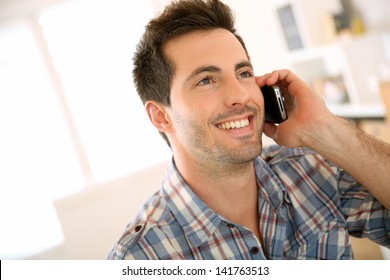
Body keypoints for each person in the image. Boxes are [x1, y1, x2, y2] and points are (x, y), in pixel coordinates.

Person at [108, 0, 390, 260]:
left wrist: (327, 128)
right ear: (160, 116)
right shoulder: (139, 257)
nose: (241, 96)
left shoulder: (312, 170)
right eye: (206, 80)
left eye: (243, 74)